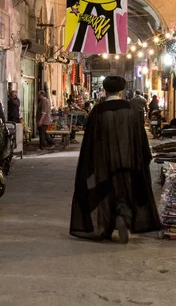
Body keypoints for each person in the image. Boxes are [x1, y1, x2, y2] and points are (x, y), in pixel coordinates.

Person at [69, 76, 162, 243]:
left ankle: (105, 226)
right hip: (128, 160)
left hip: (103, 162)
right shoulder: (132, 109)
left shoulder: (98, 111)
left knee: (106, 193)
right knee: (125, 191)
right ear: (121, 90)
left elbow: (90, 140)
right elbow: (140, 137)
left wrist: (89, 163)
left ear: (105, 90)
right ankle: (123, 217)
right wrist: (142, 157)